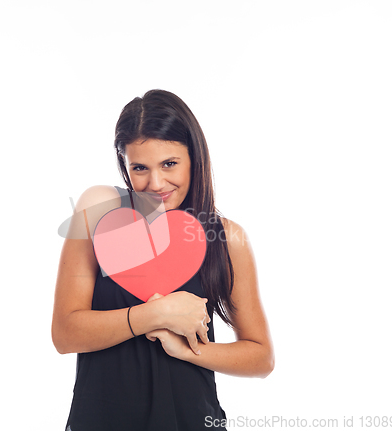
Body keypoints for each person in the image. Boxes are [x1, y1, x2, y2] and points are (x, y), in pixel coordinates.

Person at [52, 89, 274, 431]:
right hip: (100, 419)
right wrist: (156, 314)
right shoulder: (101, 214)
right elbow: (65, 334)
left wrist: (186, 351)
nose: (156, 183)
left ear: (194, 158)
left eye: (169, 163)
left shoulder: (227, 238)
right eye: (140, 167)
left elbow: (261, 357)